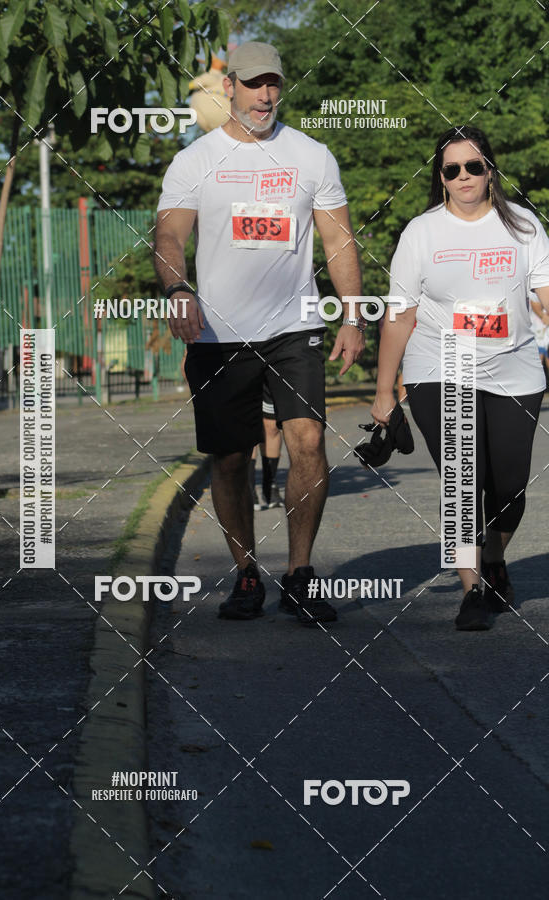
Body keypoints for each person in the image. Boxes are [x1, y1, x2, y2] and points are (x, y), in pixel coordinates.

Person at [155, 41, 365, 625]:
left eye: (273, 83)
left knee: (308, 442)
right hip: (218, 333)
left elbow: (338, 240)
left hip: (294, 325)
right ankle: (246, 574)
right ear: (231, 89)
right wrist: (177, 290)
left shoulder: (312, 156)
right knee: (228, 459)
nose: (265, 95)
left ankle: (299, 573)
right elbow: (169, 238)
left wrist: (352, 314)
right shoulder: (195, 160)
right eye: (253, 84)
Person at [372, 124, 549, 631]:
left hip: (514, 368)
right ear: (441, 178)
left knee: (510, 488)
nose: (464, 175)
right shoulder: (421, 233)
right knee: (463, 478)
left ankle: (494, 557)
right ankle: (472, 589)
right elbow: (400, 315)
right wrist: (386, 391)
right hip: (440, 362)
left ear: (490, 169)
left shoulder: (525, 229)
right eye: (453, 169)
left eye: (474, 165)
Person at [250, 385, 284, 510]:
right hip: (242, 367)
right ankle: (249, 486)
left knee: (272, 425)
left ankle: (270, 486)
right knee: (249, 421)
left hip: (270, 368)